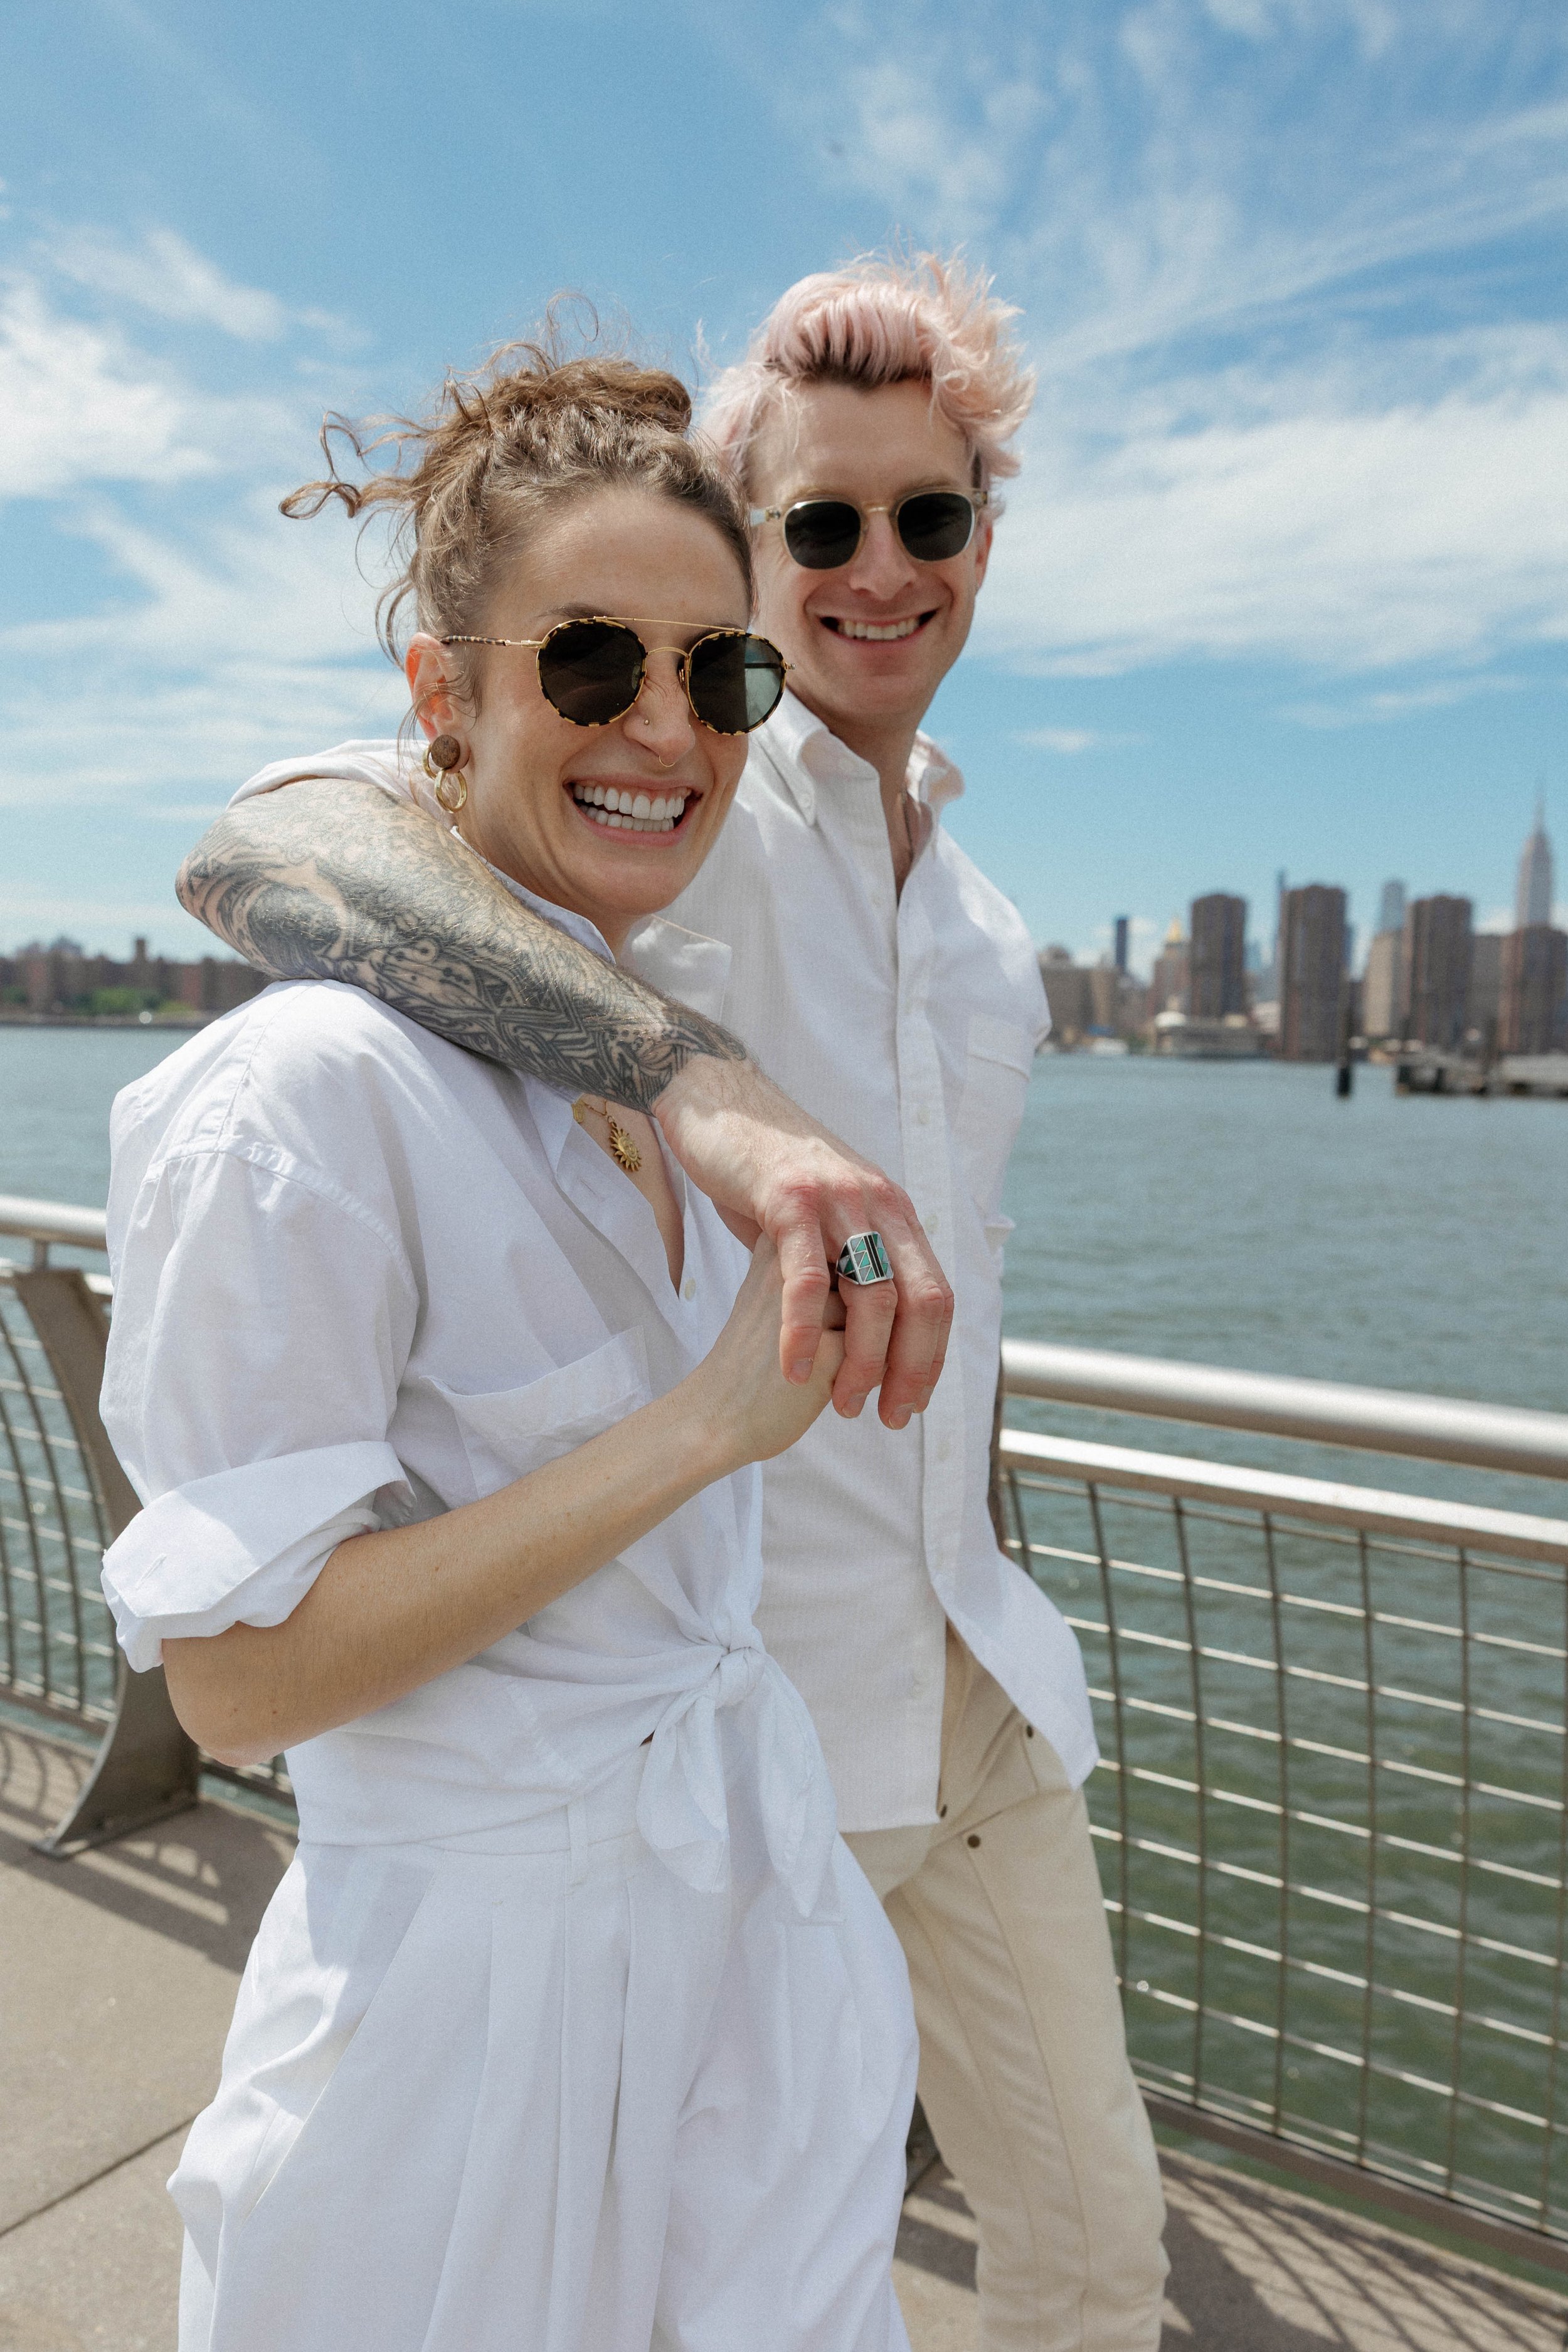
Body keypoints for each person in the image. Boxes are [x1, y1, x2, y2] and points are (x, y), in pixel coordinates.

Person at [180, 254, 1170, 2350]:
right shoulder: (687, 794)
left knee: (1092, 2264)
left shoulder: (986, 928)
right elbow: (279, 834)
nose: (878, 571)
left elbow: (948, 1294)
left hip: (972, 1689)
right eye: (820, 522)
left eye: (931, 516)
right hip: (747, 1742)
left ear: (988, 535)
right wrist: (706, 1088)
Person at [99, 341, 918, 2352]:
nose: (665, 726)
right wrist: (706, 1429)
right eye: (585, 666)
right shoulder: (301, 1103)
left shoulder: (637, 1051)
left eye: (719, 676)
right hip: (458, 2069)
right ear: (440, 699)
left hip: (747, 1966)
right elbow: (232, 1683)